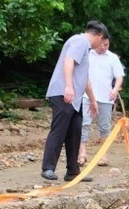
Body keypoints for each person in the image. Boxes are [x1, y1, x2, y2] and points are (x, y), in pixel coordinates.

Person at [40, 21, 108, 182]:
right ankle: (48, 168)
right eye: (102, 40)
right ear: (98, 35)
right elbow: (68, 61)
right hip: (64, 94)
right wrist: (69, 86)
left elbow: (84, 78)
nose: (101, 45)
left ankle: (73, 171)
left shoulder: (84, 46)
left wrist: (92, 100)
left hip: (74, 99)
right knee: (59, 130)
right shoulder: (80, 41)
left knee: (74, 132)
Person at [79, 35, 125, 165]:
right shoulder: (88, 55)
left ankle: (103, 155)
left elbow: (119, 76)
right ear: (96, 42)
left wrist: (115, 89)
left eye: (107, 44)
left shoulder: (113, 58)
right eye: (101, 44)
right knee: (84, 124)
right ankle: (82, 153)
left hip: (106, 97)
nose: (104, 47)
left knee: (104, 127)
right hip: (87, 96)